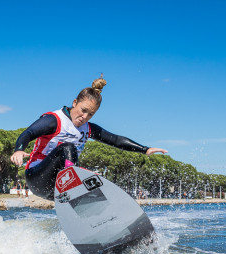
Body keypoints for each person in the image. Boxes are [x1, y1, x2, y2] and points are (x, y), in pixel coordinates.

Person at [10, 76, 167, 200]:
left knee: (98, 187)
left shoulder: (88, 128)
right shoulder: (55, 120)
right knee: (68, 148)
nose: (84, 117)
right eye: (83, 110)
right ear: (75, 102)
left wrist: (145, 149)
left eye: (90, 114)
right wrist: (19, 150)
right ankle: (74, 190)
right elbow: (28, 133)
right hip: (37, 178)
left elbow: (116, 140)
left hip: (58, 185)